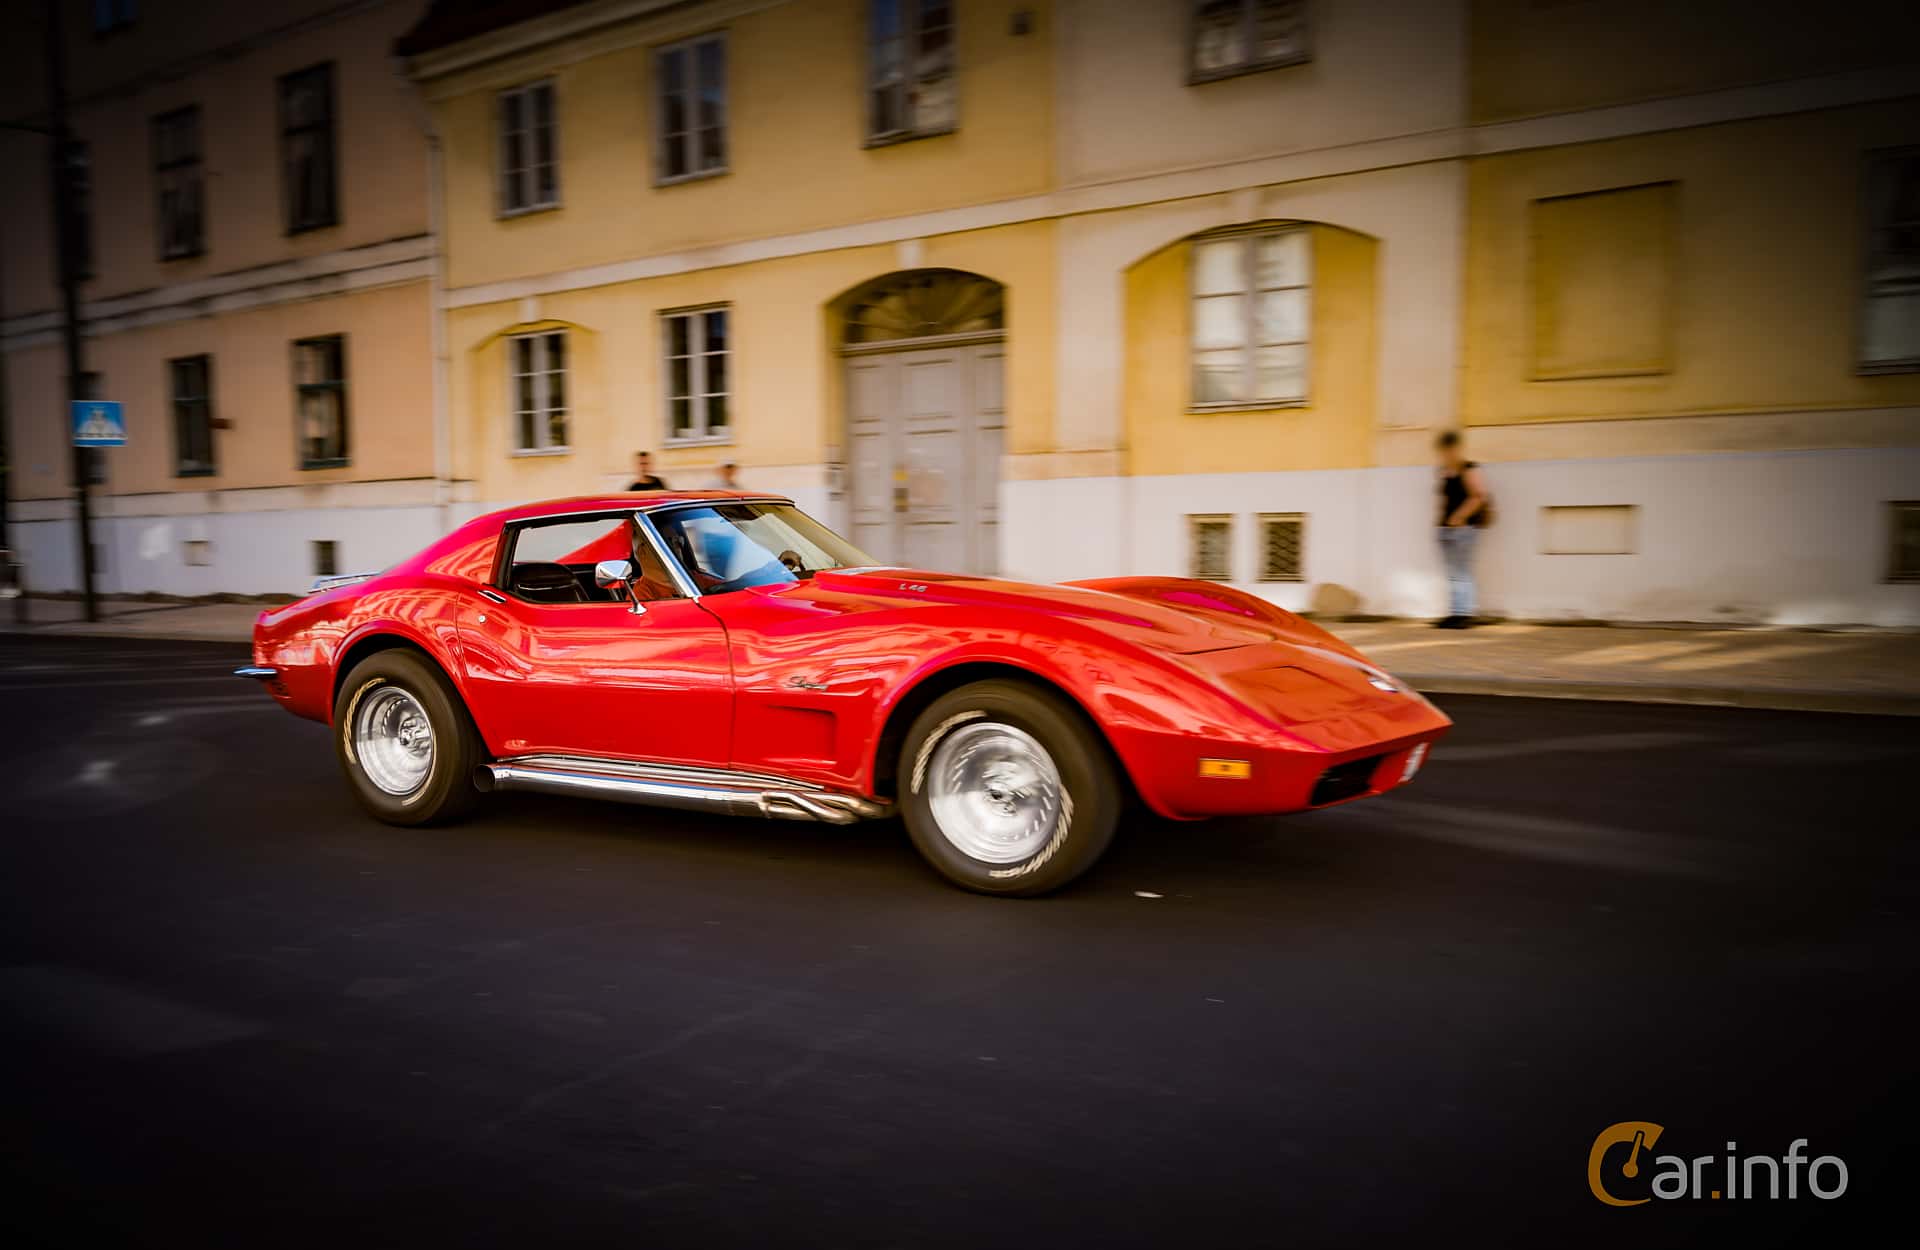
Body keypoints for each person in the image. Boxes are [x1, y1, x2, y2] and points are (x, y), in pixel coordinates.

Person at [1434, 430, 1489, 629]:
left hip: (1463, 529)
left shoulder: (1469, 468)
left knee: (1462, 572)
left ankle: (1464, 614)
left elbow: (1479, 496)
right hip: (1446, 529)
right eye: (1444, 450)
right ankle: (1455, 612)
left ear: (1456, 448)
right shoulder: (1444, 471)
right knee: (1453, 573)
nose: (1447, 454)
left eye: (1449, 449)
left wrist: (1459, 517)